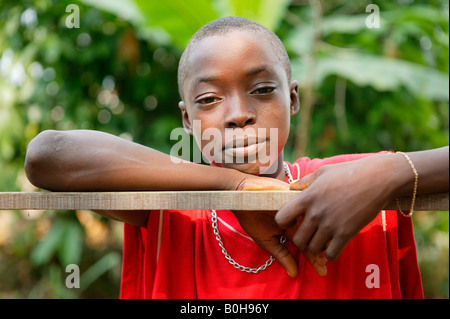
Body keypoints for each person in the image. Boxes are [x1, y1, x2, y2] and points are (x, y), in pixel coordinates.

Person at [24, 16, 448, 298]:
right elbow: (47, 155)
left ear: (293, 99)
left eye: (262, 90)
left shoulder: (343, 186)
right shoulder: (171, 211)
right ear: (187, 120)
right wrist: (233, 187)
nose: (239, 115)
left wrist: (393, 173)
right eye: (209, 99)